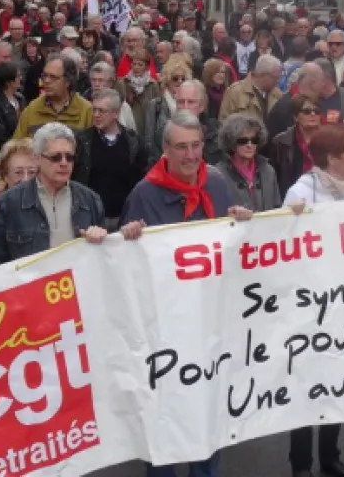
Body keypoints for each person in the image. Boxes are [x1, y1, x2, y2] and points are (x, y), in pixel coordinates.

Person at [119, 110, 249, 477]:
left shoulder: (218, 183)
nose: (190, 155)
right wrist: (127, 237)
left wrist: (243, 223)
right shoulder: (144, 194)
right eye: (181, 148)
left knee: (207, 418)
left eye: (196, 146)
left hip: (209, 324)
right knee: (164, 419)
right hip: (164, 330)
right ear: (165, 150)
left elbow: (235, 247)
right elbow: (125, 269)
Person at [282, 124, 344, 477]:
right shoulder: (302, 192)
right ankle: (301, 463)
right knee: (307, 385)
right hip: (310, 305)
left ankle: (330, 456)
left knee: (338, 378)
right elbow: (287, 244)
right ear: (332, 159)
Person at [0, 123, 113, 265]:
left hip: (77, 284)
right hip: (32, 285)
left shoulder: (91, 200)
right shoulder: (8, 202)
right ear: (37, 159)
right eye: (56, 157)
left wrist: (100, 238)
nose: (64, 163)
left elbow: (104, 260)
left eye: (69, 157)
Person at [73, 89, 148, 229]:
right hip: (91, 218)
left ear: (115, 113)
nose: (96, 115)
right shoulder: (82, 141)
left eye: (102, 111)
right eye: (94, 110)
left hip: (125, 218)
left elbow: (141, 180)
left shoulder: (134, 142)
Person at [13, 54, 93, 138]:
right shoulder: (32, 109)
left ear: (68, 81)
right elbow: (17, 145)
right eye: (45, 76)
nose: (46, 81)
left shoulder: (86, 111)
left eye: (53, 77)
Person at [216, 113, 282, 212]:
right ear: (232, 143)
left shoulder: (268, 171)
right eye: (243, 141)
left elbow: (277, 208)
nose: (249, 145)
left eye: (254, 140)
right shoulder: (218, 175)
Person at [269, 93, 322, 195]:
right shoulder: (280, 142)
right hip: (292, 196)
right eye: (307, 111)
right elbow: (275, 178)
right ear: (295, 117)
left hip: (322, 195)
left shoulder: (329, 140)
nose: (313, 114)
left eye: (316, 111)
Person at [219, 54, 283, 122]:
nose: (277, 81)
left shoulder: (277, 94)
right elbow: (224, 123)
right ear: (262, 75)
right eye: (275, 78)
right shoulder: (235, 92)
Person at [116, 50, 162, 132]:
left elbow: (158, 110)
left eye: (140, 65)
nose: (136, 67)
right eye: (134, 64)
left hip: (146, 128)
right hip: (127, 128)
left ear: (147, 67)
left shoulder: (153, 85)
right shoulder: (122, 83)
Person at [90, 60, 137, 131]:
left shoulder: (123, 106)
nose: (96, 84)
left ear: (110, 83)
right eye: (94, 80)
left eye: (101, 80)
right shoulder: (85, 104)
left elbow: (131, 133)